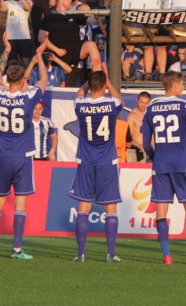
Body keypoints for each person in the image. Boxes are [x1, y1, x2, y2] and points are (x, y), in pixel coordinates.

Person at [0, 39, 48, 259]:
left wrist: (7, 50)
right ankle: (16, 249)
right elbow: (44, 80)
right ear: (23, 81)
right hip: (23, 156)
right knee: (20, 201)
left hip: (3, 156)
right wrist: (38, 56)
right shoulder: (28, 98)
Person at [140, 71, 186, 266]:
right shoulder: (184, 105)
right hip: (182, 163)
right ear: (176, 84)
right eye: (182, 84)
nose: (183, 88)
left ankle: (166, 255)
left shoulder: (152, 107)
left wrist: (157, 158)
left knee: (161, 210)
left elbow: (145, 143)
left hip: (161, 164)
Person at [70, 67, 123, 263]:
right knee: (110, 208)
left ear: (91, 86)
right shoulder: (111, 104)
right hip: (107, 161)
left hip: (85, 160)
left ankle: (81, 253)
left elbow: (78, 93)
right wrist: (107, 80)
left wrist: (87, 83)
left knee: (83, 206)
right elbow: (120, 100)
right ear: (103, 86)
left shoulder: (81, 106)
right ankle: (111, 253)